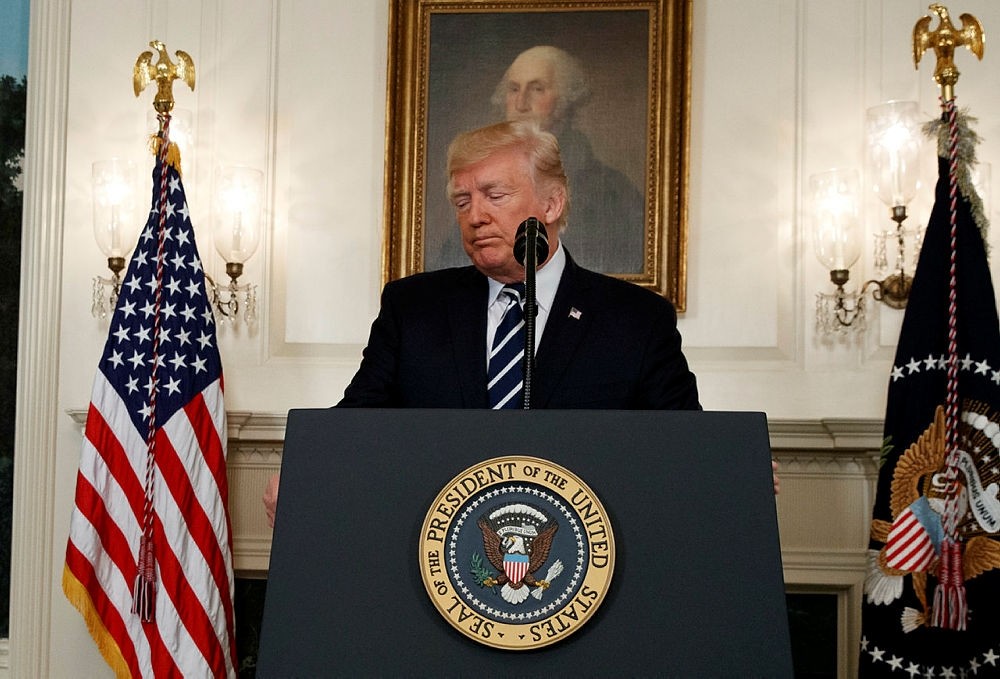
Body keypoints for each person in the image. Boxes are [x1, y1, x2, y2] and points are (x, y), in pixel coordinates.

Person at [264, 120, 776, 526]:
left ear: (551, 203)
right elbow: (358, 418)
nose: (474, 215)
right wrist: (307, 468)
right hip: (442, 558)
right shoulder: (413, 307)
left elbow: (681, 439)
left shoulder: (634, 319)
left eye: (494, 195)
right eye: (462, 201)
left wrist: (732, 468)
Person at [492, 45, 646, 274]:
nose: (521, 104)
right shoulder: (485, 186)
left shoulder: (611, 191)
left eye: (537, 89)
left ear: (566, 100)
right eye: (514, 89)